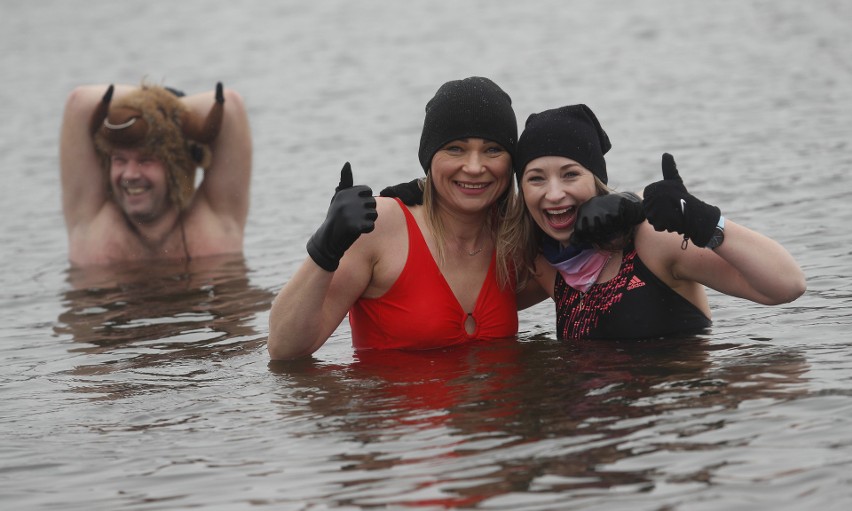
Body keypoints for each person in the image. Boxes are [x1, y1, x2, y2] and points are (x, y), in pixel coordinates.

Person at [268, 76, 535, 360]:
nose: (474, 166)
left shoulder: (517, 234)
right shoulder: (379, 227)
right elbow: (284, 350)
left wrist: (586, 218)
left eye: (493, 150)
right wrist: (326, 244)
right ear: (429, 157)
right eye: (455, 148)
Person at [505, 104, 806, 339]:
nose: (554, 193)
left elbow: (787, 286)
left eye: (570, 174)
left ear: (596, 182)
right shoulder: (548, 264)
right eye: (536, 179)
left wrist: (702, 220)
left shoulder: (652, 240)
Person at [59, 81, 252, 266]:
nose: (130, 174)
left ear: (177, 166)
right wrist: (146, 109)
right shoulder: (91, 225)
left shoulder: (217, 219)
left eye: (146, 160)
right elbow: (79, 101)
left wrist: (164, 117)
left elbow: (230, 104)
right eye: (119, 160)